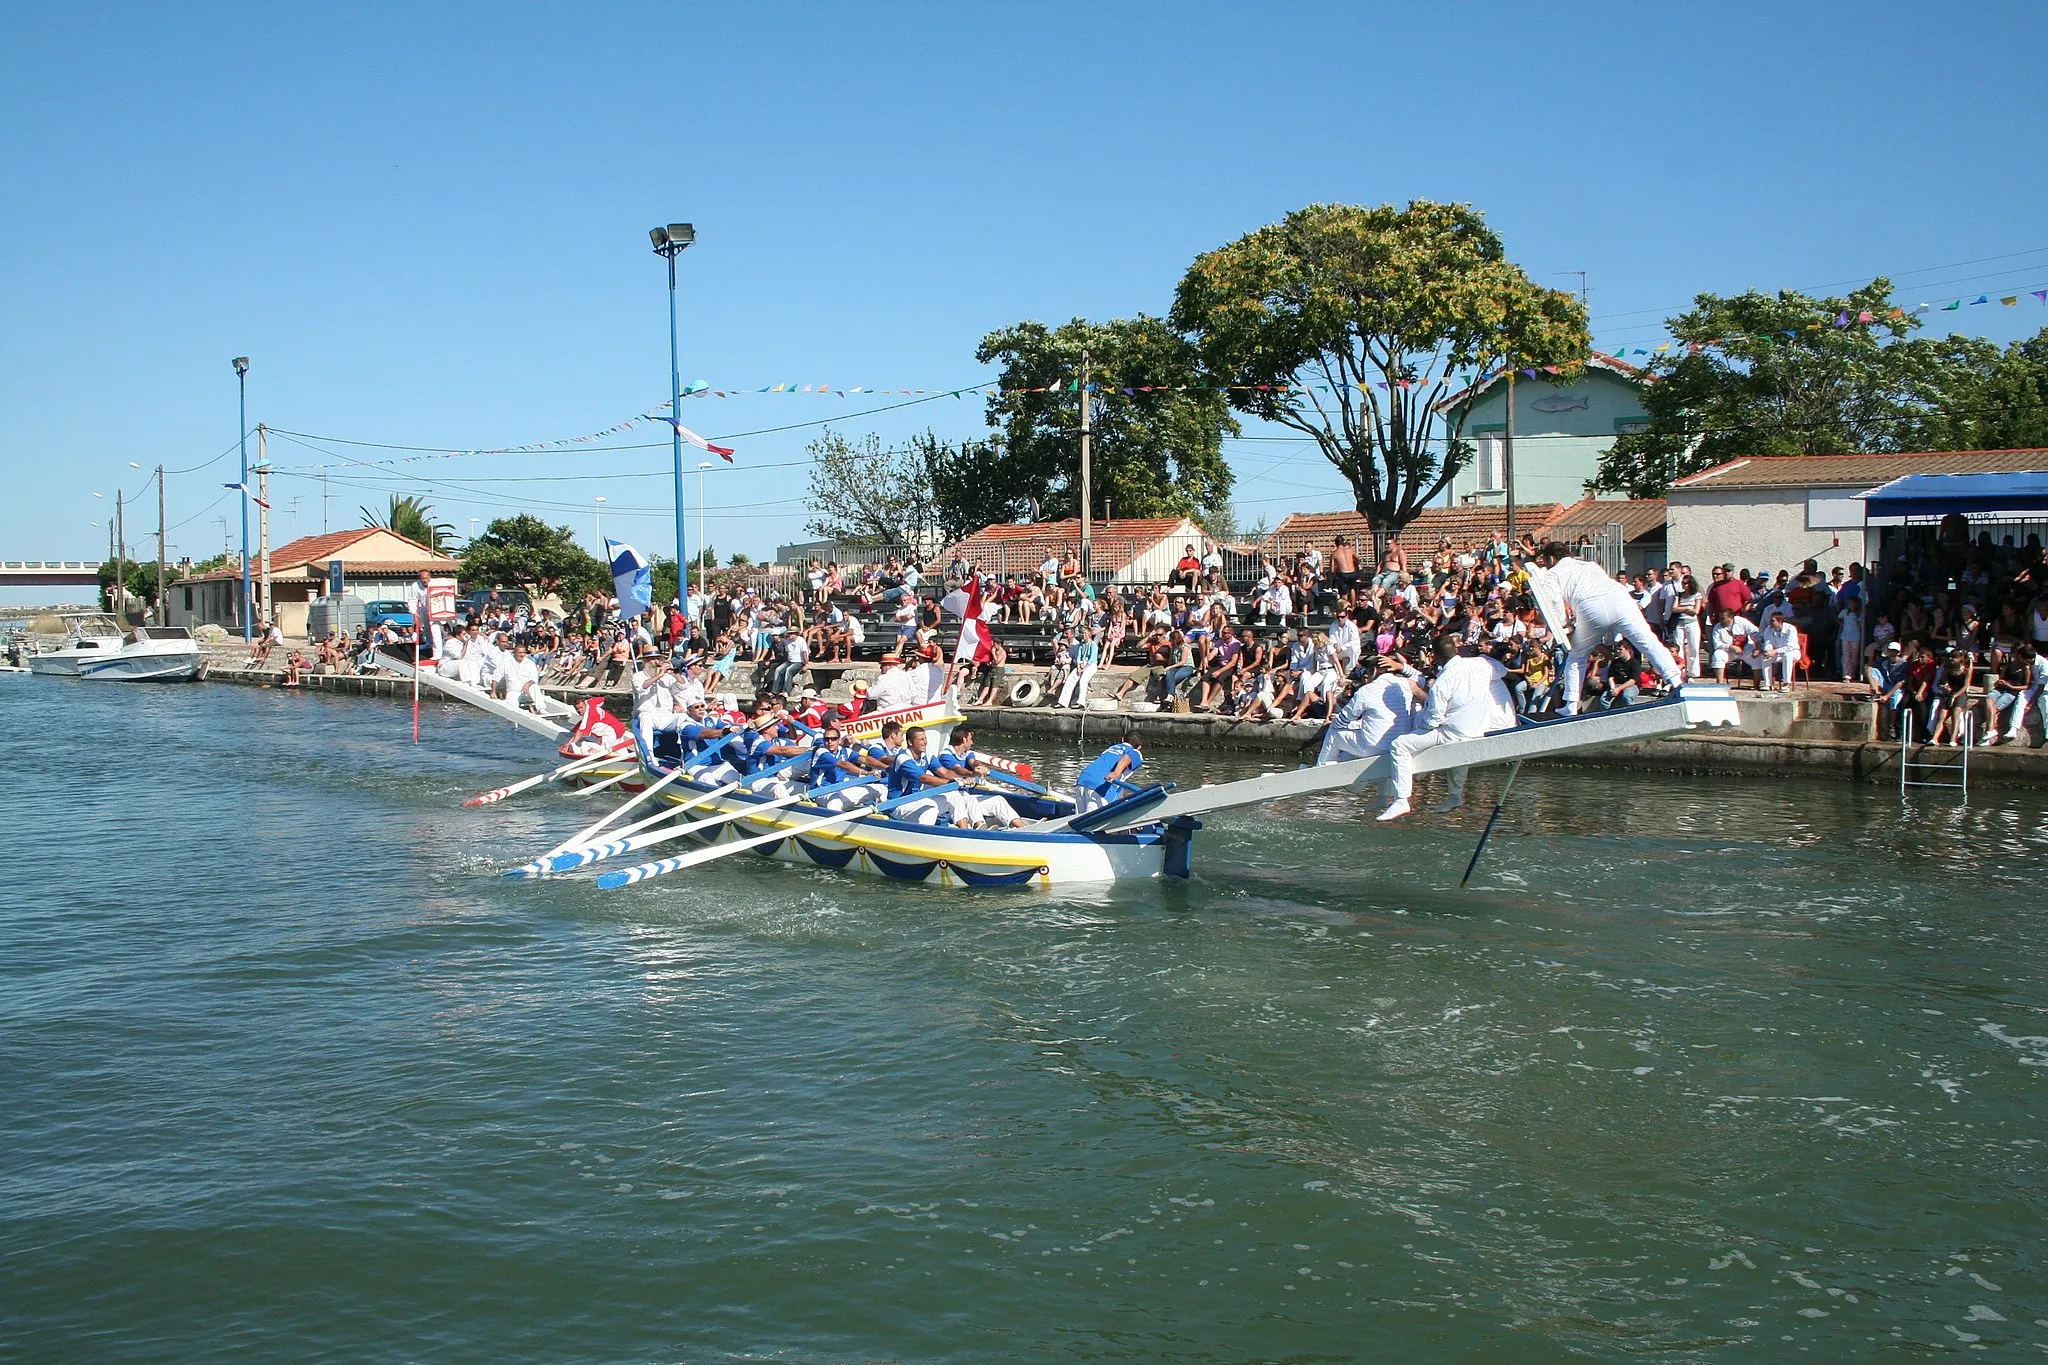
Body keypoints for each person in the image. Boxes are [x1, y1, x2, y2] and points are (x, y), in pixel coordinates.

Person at [1378, 632, 1517, 822]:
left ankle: (1402, 799)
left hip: (1454, 732)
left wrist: (1421, 726)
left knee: (1400, 745)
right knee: (1457, 747)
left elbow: (1433, 719)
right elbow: (1501, 671)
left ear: (1435, 656)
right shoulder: (1479, 664)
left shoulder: (1442, 683)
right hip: (1478, 729)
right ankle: (1455, 796)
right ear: (1456, 649)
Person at [1534, 542, 1684, 714]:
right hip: (1621, 601)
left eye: (1545, 562)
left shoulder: (1551, 574)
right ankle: (1677, 683)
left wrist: (1565, 627)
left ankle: (1571, 705)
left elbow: (1554, 603)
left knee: (1576, 656)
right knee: (1650, 643)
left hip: (1590, 608)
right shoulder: (1590, 564)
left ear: (1552, 558)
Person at [1316, 653, 1416, 765]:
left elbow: (1343, 720)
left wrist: (1335, 723)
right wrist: (1401, 666)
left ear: (1373, 671)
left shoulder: (1367, 690)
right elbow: (1420, 676)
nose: (1366, 678)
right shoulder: (1406, 685)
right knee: (1352, 746)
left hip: (1374, 747)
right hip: (1399, 745)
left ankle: (1321, 770)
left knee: (1333, 733)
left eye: (1367, 674)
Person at [932, 728, 1025, 828]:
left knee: (998, 800)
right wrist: (972, 774)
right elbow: (957, 770)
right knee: (971, 800)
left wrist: (978, 767)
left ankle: (1023, 828)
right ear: (964, 739)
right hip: (951, 800)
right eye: (971, 739)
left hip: (965, 797)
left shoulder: (967, 753)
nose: (972, 742)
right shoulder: (946, 755)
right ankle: (979, 828)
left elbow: (973, 761)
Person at [1075, 728, 1144, 814]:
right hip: (1100, 785)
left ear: (1122, 739)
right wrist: (1115, 774)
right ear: (1139, 747)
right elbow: (1127, 758)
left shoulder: (1112, 748)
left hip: (1083, 779)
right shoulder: (1135, 752)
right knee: (1094, 824)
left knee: (1079, 820)